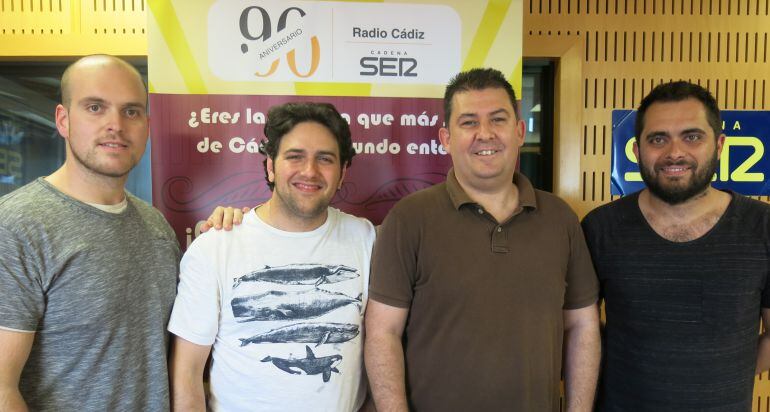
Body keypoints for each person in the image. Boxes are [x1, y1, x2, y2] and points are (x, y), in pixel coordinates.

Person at [364, 68, 601, 411]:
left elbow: (582, 325)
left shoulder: (560, 218)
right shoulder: (409, 219)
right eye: (469, 122)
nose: (485, 134)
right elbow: (382, 332)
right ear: (446, 138)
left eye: (498, 119)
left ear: (519, 131)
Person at [168, 102, 376, 412]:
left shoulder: (365, 238)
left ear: (343, 171)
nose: (310, 171)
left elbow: (381, 347)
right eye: (295, 156)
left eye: (325, 159)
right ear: (270, 166)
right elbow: (186, 374)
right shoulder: (215, 247)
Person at [0, 55, 180, 411]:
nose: (115, 124)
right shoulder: (17, 226)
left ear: (146, 124)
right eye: (95, 107)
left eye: (131, 111)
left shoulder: (157, 227)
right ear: (63, 120)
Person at [582, 81, 770, 411]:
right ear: (637, 150)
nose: (675, 152)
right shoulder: (600, 228)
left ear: (720, 145)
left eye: (692, 136)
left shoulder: (763, 227)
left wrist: (725, 370)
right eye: (658, 139)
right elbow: (580, 329)